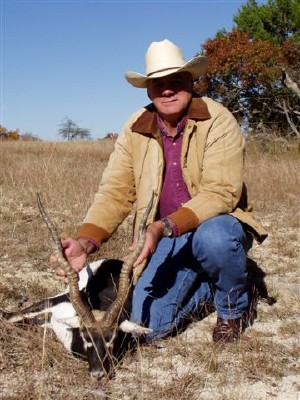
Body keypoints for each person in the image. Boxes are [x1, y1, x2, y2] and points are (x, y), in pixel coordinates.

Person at [56, 39, 268, 343]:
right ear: (148, 89)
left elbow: (222, 193)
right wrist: (86, 242)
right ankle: (213, 284)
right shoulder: (136, 126)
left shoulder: (218, 119)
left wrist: (161, 226)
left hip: (212, 225)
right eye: (158, 83)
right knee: (148, 327)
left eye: (176, 81)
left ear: (191, 82)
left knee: (215, 239)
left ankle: (234, 305)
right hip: (164, 237)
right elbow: (116, 189)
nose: (167, 90)